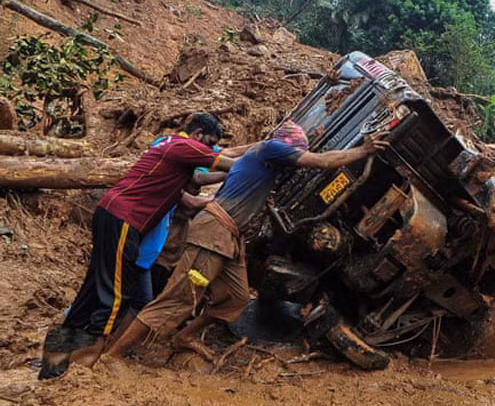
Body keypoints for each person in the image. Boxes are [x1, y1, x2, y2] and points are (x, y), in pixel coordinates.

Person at [104, 121, 388, 363]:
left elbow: (234, 153)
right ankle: (113, 355)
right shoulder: (271, 149)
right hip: (214, 232)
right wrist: (363, 150)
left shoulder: (260, 153)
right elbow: (320, 161)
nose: (296, 157)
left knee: (237, 297)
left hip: (229, 237)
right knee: (177, 299)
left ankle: (184, 337)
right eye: (295, 151)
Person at [39, 113, 236, 380]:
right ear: (199, 134)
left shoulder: (166, 146)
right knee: (117, 292)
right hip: (125, 219)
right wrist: (264, 159)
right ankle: (88, 362)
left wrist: (200, 202)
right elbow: (229, 164)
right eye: (209, 143)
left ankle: (57, 357)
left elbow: (187, 189)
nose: (209, 149)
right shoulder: (184, 145)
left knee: (94, 284)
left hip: (111, 213)